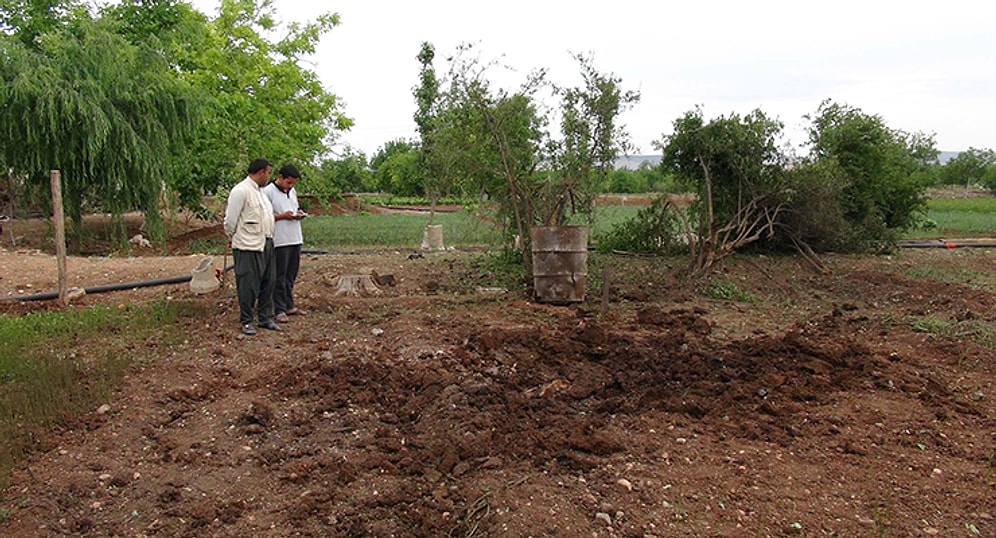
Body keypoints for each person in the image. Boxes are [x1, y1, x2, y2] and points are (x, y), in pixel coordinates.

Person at [224, 158, 280, 335]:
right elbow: (230, 220)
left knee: (268, 281)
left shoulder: (261, 193)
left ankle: (264, 317)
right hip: (248, 245)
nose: (268, 176)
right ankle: (247, 320)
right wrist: (232, 236)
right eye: (268, 172)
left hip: (266, 242)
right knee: (248, 283)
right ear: (261, 172)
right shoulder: (241, 191)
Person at [263, 163, 308, 323]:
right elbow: (265, 217)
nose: (290, 185)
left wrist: (298, 214)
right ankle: (279, 308)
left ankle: (289, 304)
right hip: (279, 239)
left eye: (293, 183)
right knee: (279, 276)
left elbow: (293, 207)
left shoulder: (292, 191)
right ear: (280, 177)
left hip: (295, 237)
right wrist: (282, 216)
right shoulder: (267, 192)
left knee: (291, 274)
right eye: (288, 182)